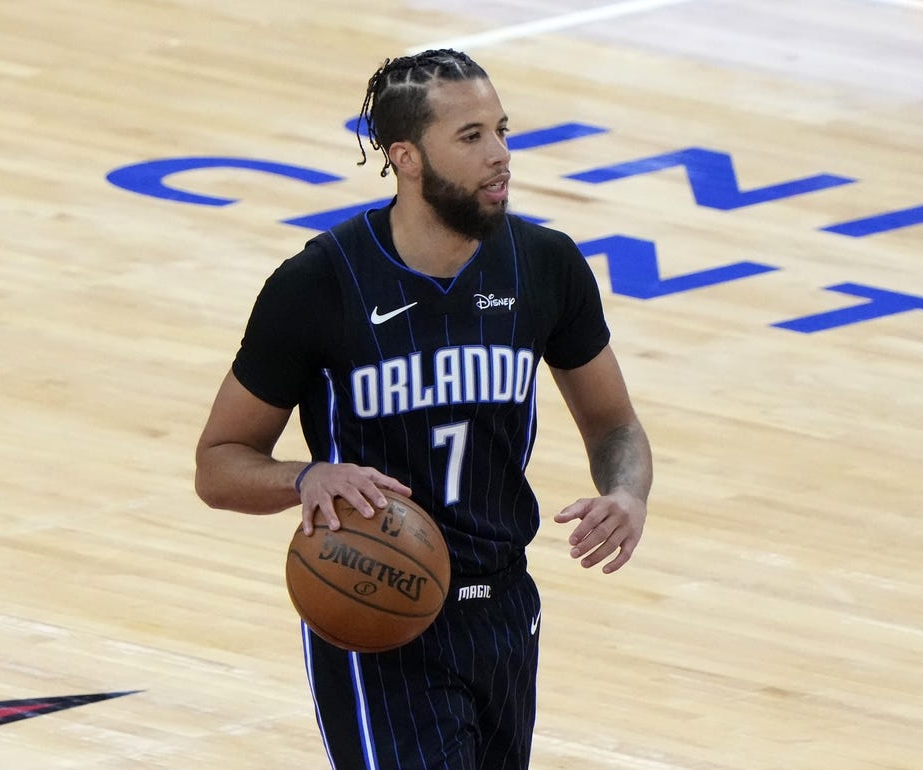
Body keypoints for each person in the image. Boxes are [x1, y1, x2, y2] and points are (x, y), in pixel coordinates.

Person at [195, 48, 652, 770]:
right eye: (471, 138)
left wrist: (626, 493)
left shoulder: (545, 265)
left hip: (504, 612)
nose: (501, 155)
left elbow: (615, 424)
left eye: (502, 130)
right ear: (406, 158)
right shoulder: (319, 283)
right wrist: (305, 478)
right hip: (376, 611)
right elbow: (219, 466)